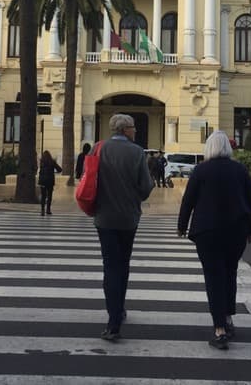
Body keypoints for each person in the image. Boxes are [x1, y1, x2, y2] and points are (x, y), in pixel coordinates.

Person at [177, 130, 251, 350]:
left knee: (213, 277)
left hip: (207, 232)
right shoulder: (239, 169)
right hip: (236, 231)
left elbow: (189, 201)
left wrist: (182, 226)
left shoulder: (201, 170)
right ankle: (228, 318)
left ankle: (219, 329)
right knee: (229, 272)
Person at [93, 113, 154, 341]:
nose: (135, 131)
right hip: (128, 219)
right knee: (123, 264)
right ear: (126, 129)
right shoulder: (137, 152)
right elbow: (147, 187)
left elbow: (88, 178)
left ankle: (113, 318)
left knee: (110, 267)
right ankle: (119, 311)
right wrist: (133, 196)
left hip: (104, 218)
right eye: (134, 128)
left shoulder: (98, 149)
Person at [38, 150, 62, 216]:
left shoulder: (41, 162)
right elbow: (60, 169)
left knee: (43, 196)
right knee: (49, 195)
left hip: (42, 181)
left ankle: (42, 210)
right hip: (50, 181)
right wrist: (54, 172)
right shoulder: (52, 162)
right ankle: (48, 210)